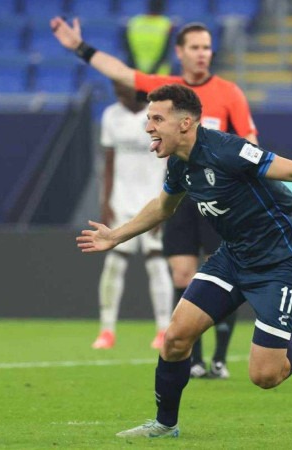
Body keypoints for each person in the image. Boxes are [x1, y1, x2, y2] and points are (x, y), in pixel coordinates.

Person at [76, 84, 292, 437]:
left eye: (157, 118)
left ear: (186, 123)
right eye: (148, 119)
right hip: (234, 257)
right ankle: (165, 424)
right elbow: (163, 207)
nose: (148, 127)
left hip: (281, 262)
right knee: (175, 339)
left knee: (266, 376)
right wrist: (115, 236)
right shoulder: (179, 164)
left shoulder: (228, 150)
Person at [50, 17, 257, 378]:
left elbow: (250, 143)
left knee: (223, 275)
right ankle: (192, 357)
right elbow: (122, 72)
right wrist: (80, 49)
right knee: (182, 273)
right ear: (179, 53)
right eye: (194, 47)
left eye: (207, 47)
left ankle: (220, 360)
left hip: (221, 201)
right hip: (180, 197)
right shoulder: (167, 92)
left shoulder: (229, 93)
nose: (202, 54)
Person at [91, 82, 173, 350]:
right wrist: (106, 201)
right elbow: (109, 160)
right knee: (115, 262)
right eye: (115, 90)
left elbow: (172, 159)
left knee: (156, 262)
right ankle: (106, 330)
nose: (118, 95)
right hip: (122, 201)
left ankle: (163, 329)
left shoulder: (157, 116)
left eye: (122, 90)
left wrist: (167, 204)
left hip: (153, 202)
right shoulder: (111, 115)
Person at [124, 0, 173, 75]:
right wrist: (153, 70)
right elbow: (167, 51)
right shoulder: (166, 24)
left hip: (136, 72)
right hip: (159, 73)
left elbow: (127, 48)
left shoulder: (134, 22)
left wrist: (135, 67)